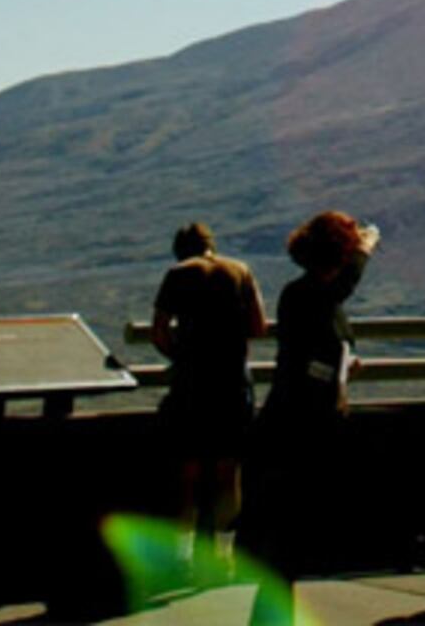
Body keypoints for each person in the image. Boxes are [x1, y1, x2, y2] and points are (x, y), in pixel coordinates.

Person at [147, 220, 270, 582]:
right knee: (228, 471)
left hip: (191, 382)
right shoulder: (240, 271)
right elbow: (258, 326)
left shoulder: (178, 274)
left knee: (189, 470)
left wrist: (179, 355)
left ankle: (184, 555)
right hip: (233, 380)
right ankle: (224, 554)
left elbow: (159, 329)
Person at [260, 209, 377, 578]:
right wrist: (365, 249)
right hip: (297, 425)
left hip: (312, 420)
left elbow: (321, 350)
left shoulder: (316, 298)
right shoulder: (310, 296)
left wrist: (344, 363)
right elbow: (345, 285)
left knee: (292, 533)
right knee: (289, 528)